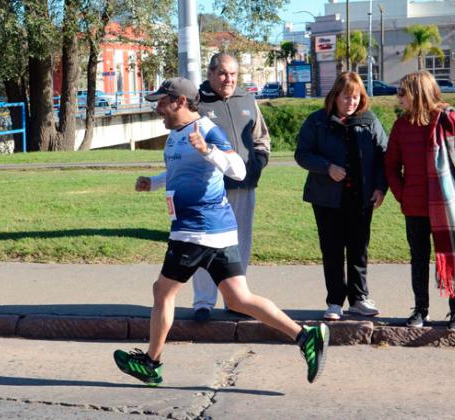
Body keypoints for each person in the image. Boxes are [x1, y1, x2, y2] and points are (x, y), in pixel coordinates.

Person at [113, 77, 329, 386]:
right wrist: (155, 181)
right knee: (240, 299)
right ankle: (305, 336)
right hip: (215, 231)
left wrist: (207, 151)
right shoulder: (176, 134)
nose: (157, 107)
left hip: (195, 231)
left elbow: (238, 170)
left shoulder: (207, 131)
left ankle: (151, 363)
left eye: (162, 101)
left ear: (180, 102)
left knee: (163, 291)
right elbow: (181, 171)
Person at [385, 70, 455, 332]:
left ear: (418, 93)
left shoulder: (450, 119)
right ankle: (420, 310)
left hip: (449, 206)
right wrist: (402, 195)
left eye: (402, 92)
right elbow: (391, 166)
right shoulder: (401, 125)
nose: (398, 97)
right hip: (415, 206)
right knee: (418, 258)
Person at [295, 71, 388, 321]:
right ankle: (335, 301)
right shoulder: (316, 121)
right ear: (335, 96)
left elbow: (384, 156)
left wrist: (380, 187)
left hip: (361, 197)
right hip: (326, 199)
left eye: (356, 98)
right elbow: (302, 154)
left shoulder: (369, 121)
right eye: (346, 97)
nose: (351, 103)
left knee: (359, 248)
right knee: (332, 250)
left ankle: (359, 299)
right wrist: (327, 167)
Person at [191, 52, 272, 322]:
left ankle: (236, 301)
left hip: (244, 187)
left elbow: (261, 138)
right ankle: (203, 302)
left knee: (240, 245)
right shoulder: (197, 103)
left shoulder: (247, 100)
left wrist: (258, 163)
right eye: (224, 73)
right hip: (210, 190)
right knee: (206, 245)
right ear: (211, 73)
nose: (229, 79)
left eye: (234, 74)